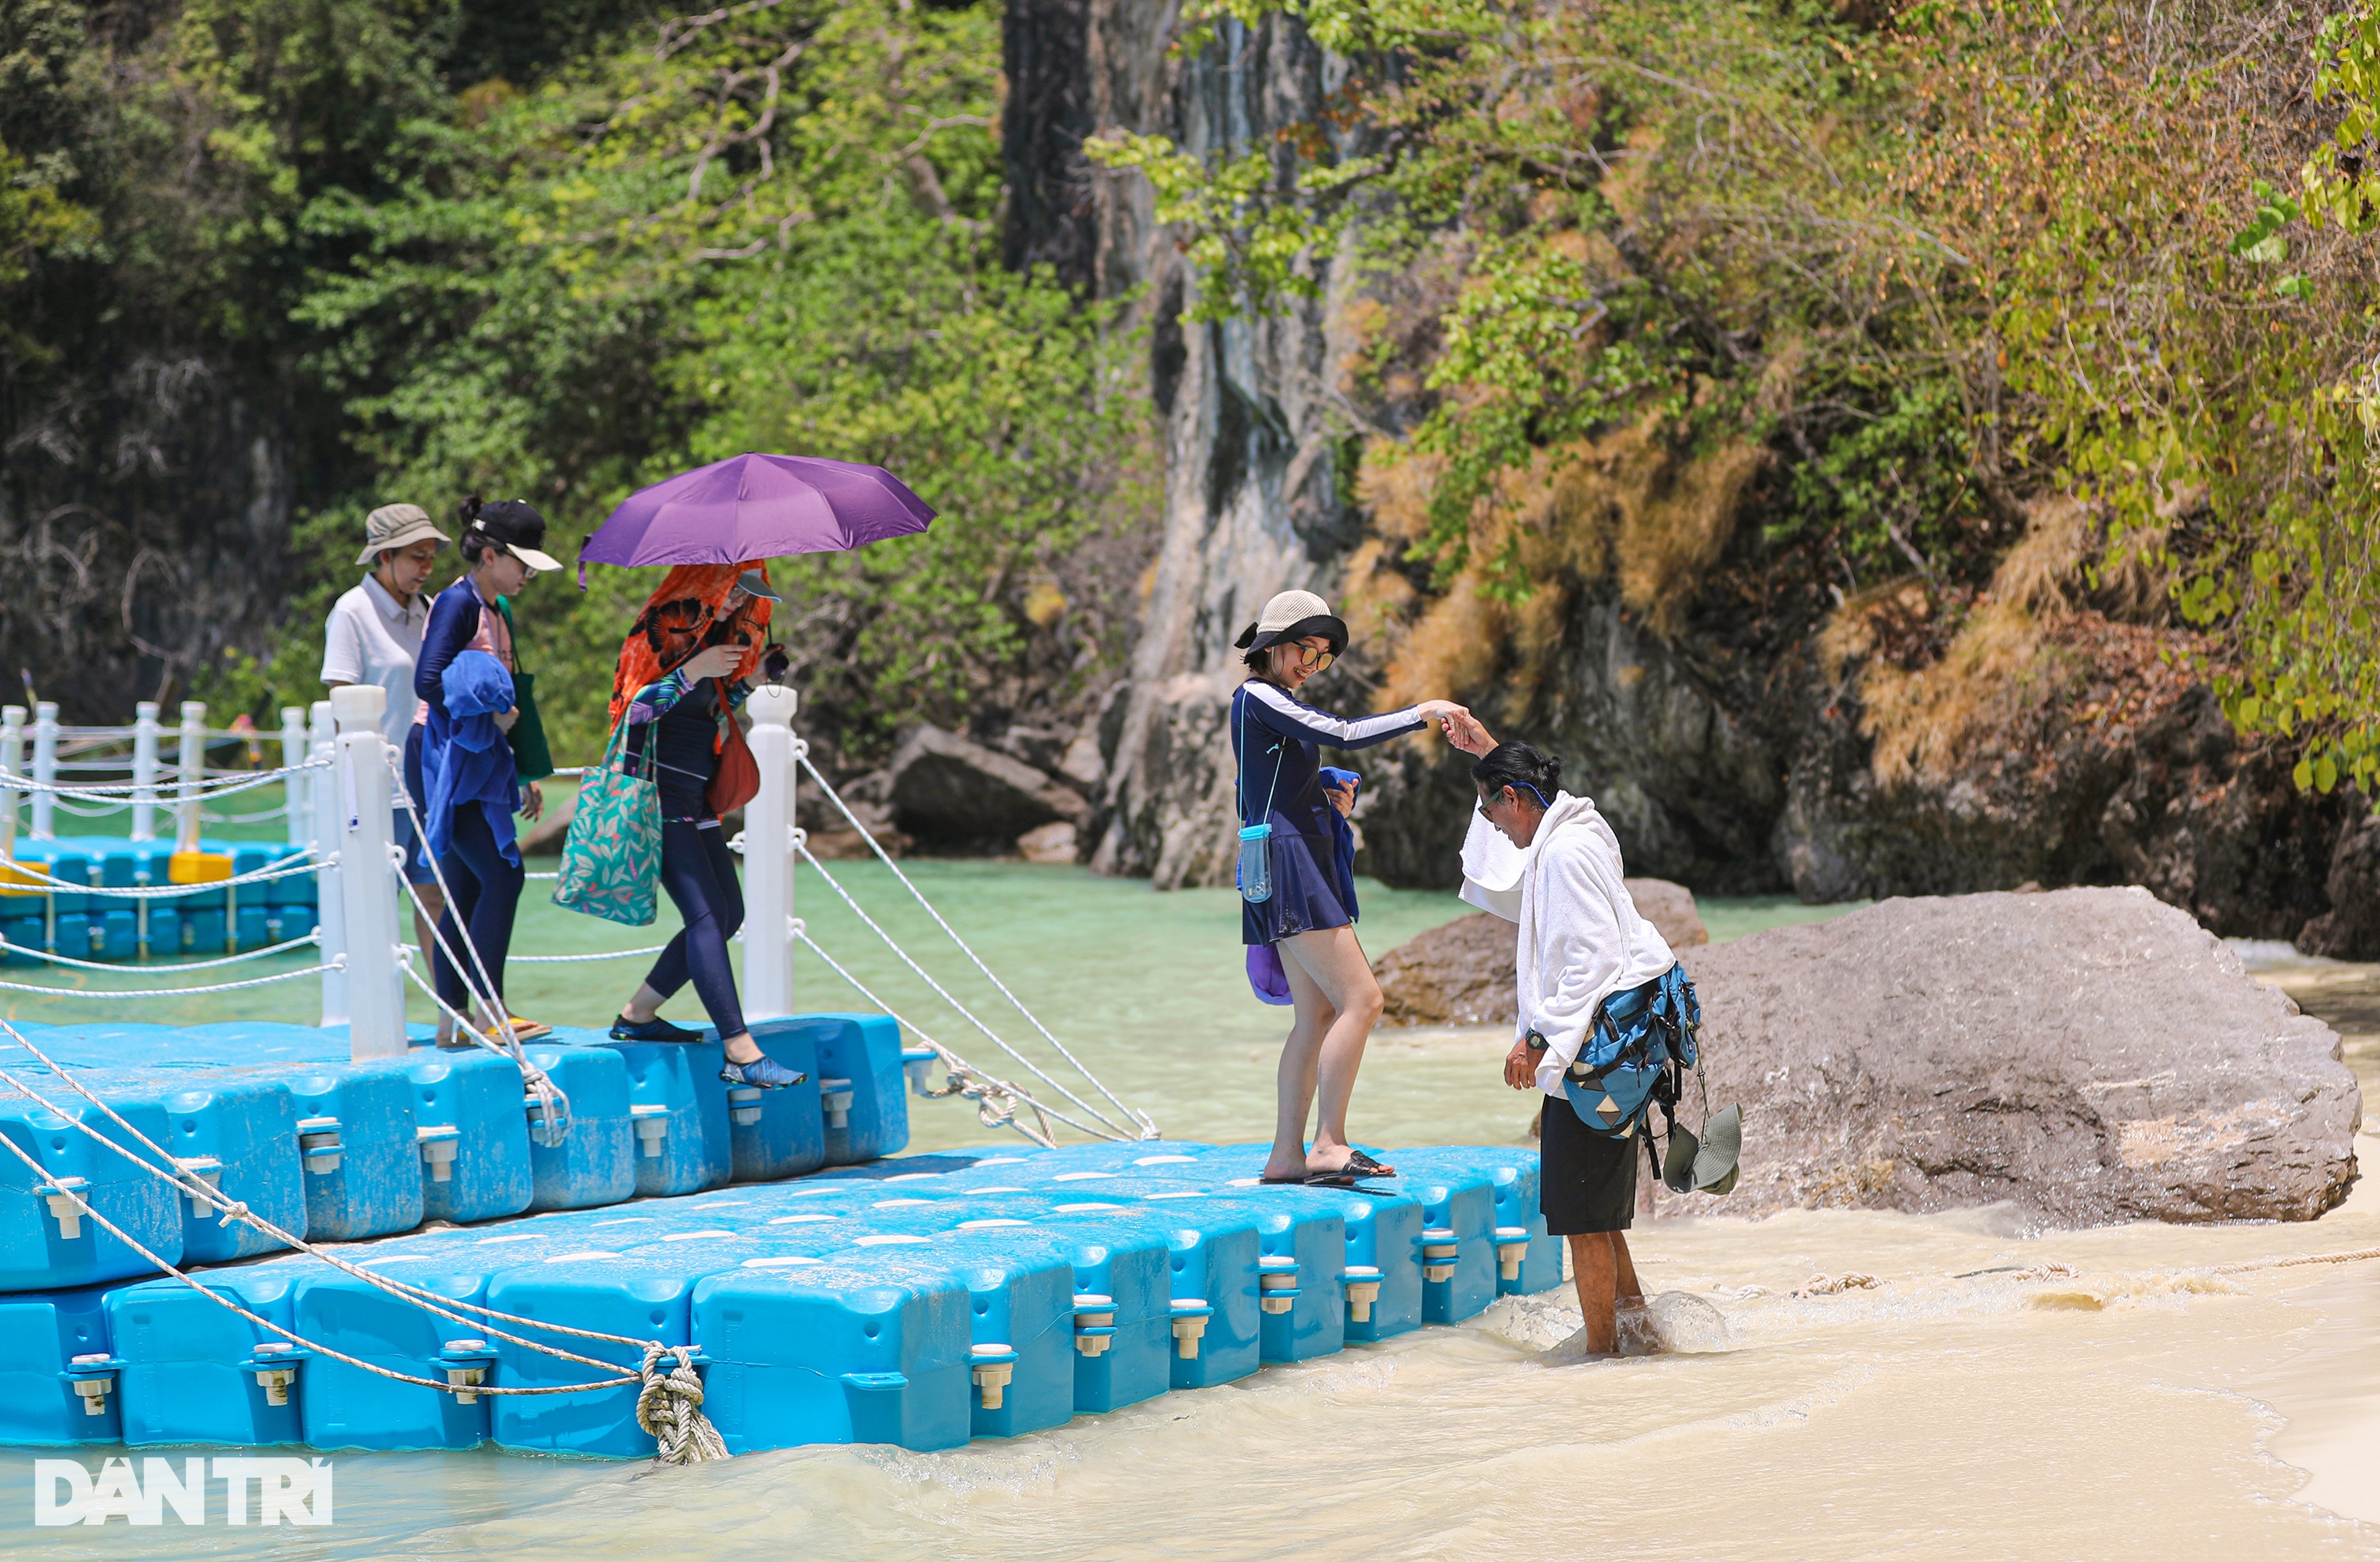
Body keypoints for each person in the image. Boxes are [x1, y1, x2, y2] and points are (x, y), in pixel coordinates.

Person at [1446, 718, 1677, 1354]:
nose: (1495, 828)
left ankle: (1603, 1358)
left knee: (1581, 1222)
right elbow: (1511, 881)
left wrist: (1538, 1039)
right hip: (1615, 1053)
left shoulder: (1566, 853)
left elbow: (1589, 958)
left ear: (1515, 799)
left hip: (1594, 1056)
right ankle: (1644, 1337)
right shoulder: (1579, 830)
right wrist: (1489, 752)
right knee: (1598, 1214)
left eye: (1493, 813)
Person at [1231, 589, 1471, 1185]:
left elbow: (1275, 782)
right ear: (1272, 645)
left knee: (1313, 1017)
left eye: (1322, 657)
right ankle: (1328, 1143)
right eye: (1304, 651)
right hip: (1290, 863)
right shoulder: (1259, 695)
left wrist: (1328, 797)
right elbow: (1340, 731)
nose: (1310, 666)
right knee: (1363, 1000)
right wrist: (1422, 711)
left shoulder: (1268, 703)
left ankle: (1287, 1155)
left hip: (1280, 859)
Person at [604, 563, 804, 1090]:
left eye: (750, 597)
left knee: (730, 911)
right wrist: (695, 670)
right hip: (657, 791)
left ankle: (637, 1015)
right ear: (707, 584)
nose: (740, 604)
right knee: (705, 915)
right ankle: (739, 1049)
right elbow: (636, 710)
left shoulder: (716, 638)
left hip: (697, 791)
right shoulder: (664, 628)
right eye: (734, 590)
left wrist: (750, 681)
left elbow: (707, 714)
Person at [414, 497, 561, 1046]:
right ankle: (491, 1012)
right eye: (522, 563)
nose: (527, 574)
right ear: (492, 554)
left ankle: (450, 1021)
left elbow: (509, 693)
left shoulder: (497, 607)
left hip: (480, 753)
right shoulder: (458, 604)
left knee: (468, 886)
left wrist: (522, 767)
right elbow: (427, 682)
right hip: (444, 752)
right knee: (505, 874)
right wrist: (487, 719)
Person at [322, 502, 451, 963]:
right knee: (377, 904)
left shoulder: (432, 611)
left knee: (436, 898)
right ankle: (381, 1031)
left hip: (430, 783)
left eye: (432, 557)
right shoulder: (351, 612)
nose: (427, 568)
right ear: (384, 556)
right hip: (378, 788)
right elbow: (343, 706)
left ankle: (450, 1018)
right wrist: (355, 793)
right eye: (417, 556)